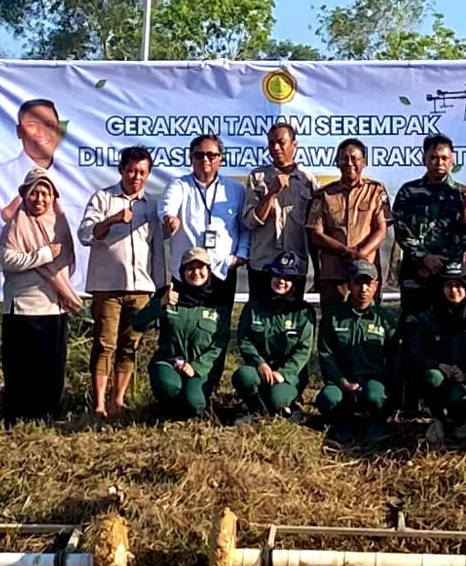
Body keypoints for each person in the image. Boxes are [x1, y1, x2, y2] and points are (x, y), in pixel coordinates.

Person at [78, 146, 167, 418]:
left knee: (130, 345)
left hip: (140, 286)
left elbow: (157, 249)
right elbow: (84, 234)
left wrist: (161, 285)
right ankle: (99, 404)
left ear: (148, 174)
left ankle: (119, 400)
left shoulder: (151, 205)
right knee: (105, 344)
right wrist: (113, 219)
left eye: (142, 172)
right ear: (121, 170)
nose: (136, 177)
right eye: (131, 170)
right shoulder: (103, 198)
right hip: (107, 286)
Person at [0, 98, 86, 297]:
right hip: (18, 290)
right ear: (19, 131)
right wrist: (3, 219)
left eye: (49, 125)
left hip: (63, 292)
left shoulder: (75, 179)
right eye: (32, 125)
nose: (42, 133)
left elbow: (83, 241)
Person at [0, 168, 83, 425]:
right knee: (20, 369)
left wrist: (58, 280)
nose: (39, 199)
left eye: (45, 194)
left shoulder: (59, 225)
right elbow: (6, 259)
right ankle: (18, 419)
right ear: (25, 195)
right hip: (22, 308)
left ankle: (48, 418)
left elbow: (66, 260)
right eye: (34, 193)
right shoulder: (15, 224)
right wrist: (43, 255)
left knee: (50, 369)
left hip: (52, 307)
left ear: (53, 197)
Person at [133, 247, 231, 420]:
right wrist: (160, 304)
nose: (196, 272)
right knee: (168, 386)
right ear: (182, 271)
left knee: (194, 403)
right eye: (190, 268)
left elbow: (220, 343)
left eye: (201, 268)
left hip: (200, 368)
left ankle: (190, 408)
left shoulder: (217, 302)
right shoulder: (168, 295)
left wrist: (197, 367)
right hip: (168, 361)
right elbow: (138, 324)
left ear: (209, 271)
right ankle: (167, 410)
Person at [160, 134, 249, 308]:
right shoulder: (179, 185)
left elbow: (244, 227)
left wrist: (240, 256)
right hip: (187, 272)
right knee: (182, 326)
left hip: (222, 270)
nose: (205, 159)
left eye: (211, 155)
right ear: (190, 158)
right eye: (199, 155)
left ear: (220, 159)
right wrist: (169, 217)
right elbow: (167, 205)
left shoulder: (235, 189)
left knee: (219, 328)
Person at [392, 134, 466, 322]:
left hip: (451, 275)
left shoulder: (463, 194)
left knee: (451, 325)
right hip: (416, 272)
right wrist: (423, 257)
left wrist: (444, 262)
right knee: (413, 326)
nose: (439, 162)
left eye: (444, 158)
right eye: (434, 157)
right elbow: (400, 227)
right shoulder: (408, 191)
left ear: (452, 160)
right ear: (424, 159)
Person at [411, 261, 466, 444]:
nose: (453, 290)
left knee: (458, 397)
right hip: (440, 376)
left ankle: (461, 420)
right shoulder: (429, 317)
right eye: (448, 285)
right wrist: (439, 366)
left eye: (459, 285)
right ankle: (438, 419)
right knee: (431, 378)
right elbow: (416, 352)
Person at [315, 259, 399, 443]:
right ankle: (342, 424)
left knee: (375, 395)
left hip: (373, 383)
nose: (363, 289)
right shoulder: (332, 317)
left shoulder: (385, 319)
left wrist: (390, 387)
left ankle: (376, 422)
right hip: (342, 384)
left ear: (376, 286)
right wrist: (342, 382)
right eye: (358, 282)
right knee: (327, 399)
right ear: (349, 284)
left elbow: (394, 358)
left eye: (368, 283)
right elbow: (326, 355)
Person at [232, 251, 316, 422]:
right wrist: (259, 363)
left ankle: (288, 407)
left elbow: (304, 349)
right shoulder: (254, 306)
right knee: (243, 376)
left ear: (294, 284)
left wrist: (283, 373)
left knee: (276, 398)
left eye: (287, 278)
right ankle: (255, 409)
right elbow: (245, 339)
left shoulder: (303, 312)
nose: (281, 281)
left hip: (289, 374)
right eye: (277, 275)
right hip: (260, 370)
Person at [307, 140, 392, 305]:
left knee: (368, 324)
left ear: (364, 162)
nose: (349, 163)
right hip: (334, 274)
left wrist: (361, 254)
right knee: (333, 324)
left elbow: (381, 230)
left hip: (366, 273)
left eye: (354, 158)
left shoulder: (376, 191)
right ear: (337, 162)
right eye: (344, 159)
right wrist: (346, 252)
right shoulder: (324, 195)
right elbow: (316, 235)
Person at [243, 123, 316, 302]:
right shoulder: (257, 177)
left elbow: (313, 228)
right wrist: (272, 192)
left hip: (294, 265)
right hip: (263, 264)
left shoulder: (307, 180)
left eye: (281, 142)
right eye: (271, 143)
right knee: (259, 321)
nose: (276, 148)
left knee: (290, 321)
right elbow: (250, 221)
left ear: (294, 144)